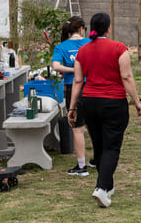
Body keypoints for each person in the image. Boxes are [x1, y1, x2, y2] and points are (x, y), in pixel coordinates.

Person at [69, 13, 141, 208]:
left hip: (90, 103)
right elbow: (127, 77)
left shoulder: (82, 51)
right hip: (113, 103)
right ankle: (101, 188)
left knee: (100, 146)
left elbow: (78, 81)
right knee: (111, 147)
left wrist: (72, 107)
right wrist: (137, 102)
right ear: (109, 28)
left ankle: (107, 185)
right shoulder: (119, 48)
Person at [52, 16, 93, 177]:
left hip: (72, 88)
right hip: (92, 87)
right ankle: (98, 160)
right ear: (82, 28)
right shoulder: (90, 43)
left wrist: (72, 70)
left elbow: (55, 66)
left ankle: (81, 166)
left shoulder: (61, 46)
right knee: (93, 126)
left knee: (77, 128)